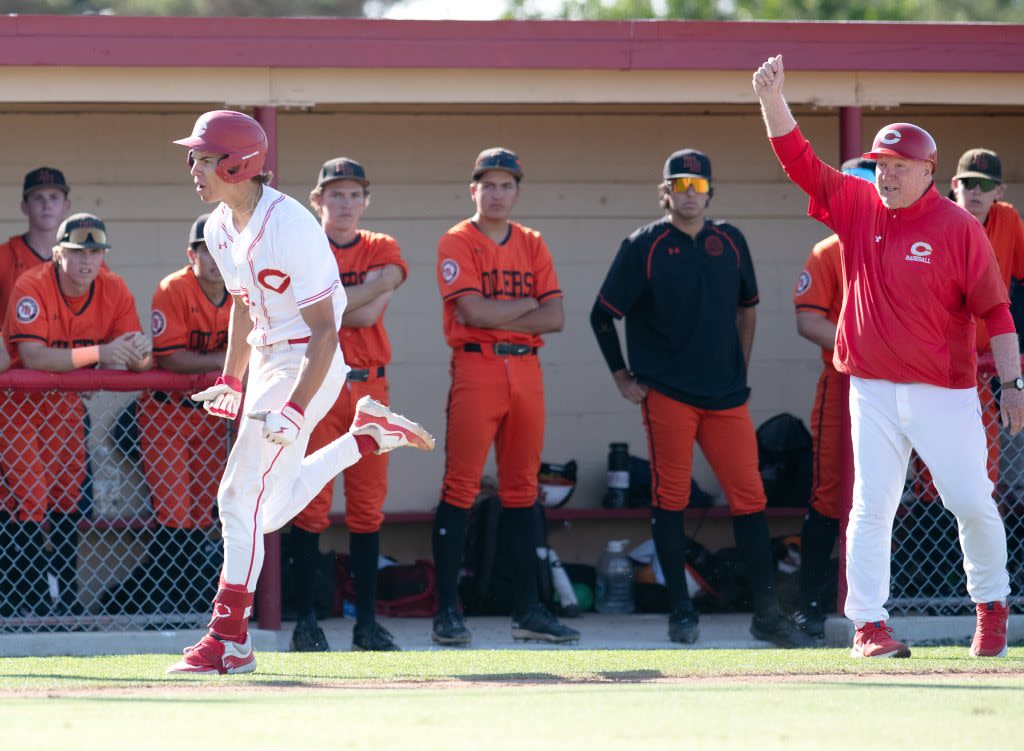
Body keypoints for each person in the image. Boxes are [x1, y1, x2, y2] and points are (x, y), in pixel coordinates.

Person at [754, 54, 1022, 658]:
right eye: (881, 164)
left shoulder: (959, 227)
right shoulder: (856, 202)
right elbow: (800, 162)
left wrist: (1013, 386)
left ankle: (992, 606)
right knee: (871, 505)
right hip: (870, 386)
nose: (887, 175)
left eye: (900, 166)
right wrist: (772, 100)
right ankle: (869, 627)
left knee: (970, 500)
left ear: (930, 170)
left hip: (945, 390)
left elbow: (997, 313)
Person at [166, 110, 434, 675]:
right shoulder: (217, 225)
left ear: (239, 163)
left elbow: (326, 332)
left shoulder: (289, 225)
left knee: (237, 499)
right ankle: (362, 441)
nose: (194, 166)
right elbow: (242, 304)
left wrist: (291, 406)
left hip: (307, 362)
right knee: (262, 514)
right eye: (195, 155)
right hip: (267, 360)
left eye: (206, 157)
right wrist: (232, 379)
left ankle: (228, 638)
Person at [590, 149, 813, 649]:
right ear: (665, 192)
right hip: (666, 394)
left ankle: (767, 613)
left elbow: (748, 310)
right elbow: (601, 316)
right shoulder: (642, 245)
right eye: (679, 185)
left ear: (711, 191)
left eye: (698, 185)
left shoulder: (730, 240)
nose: (689, 194)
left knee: (750, 498)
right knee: (671, 498)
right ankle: (680, 611)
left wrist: (739, 366)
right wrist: (622, 377)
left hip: (727, 395)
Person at [432, 147, 578, 646]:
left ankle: (528, 611)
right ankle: (447, 613)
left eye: (506, 185)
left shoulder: (533, 243)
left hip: (526, 369)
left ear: (518, 191)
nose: (497, 194)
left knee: (521, 491)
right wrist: (526, 306)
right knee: (460, 488)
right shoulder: (457, 239)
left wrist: (504, 312)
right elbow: (472, 313)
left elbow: (556, 317)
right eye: (488, 184)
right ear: (473, 189)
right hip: (477, 366)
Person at [3, 213, 151, 618]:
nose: (87, 261)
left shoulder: (113, 287)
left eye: (95, 252)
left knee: (66, 500)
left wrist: (136, 352)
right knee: (30, 499)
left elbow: (135, 358)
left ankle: (64, 601)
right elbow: (33, 357)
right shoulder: (32, 284)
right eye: (77, 252)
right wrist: (99, 355)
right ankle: (27, 604)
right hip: (19, 406)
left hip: (67, 404)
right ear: (59, 253)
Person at [288, 157, 408, 652]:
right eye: (335, 193)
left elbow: (366, 311)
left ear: (365, 200)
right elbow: (319, 313)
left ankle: (366, 624)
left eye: (354, 193)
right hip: (322, 385)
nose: (345, 202)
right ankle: (307, 621)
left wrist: (342, 299)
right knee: (311, 506)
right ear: (317, 200)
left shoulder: (381, 245)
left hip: (370, 389)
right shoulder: (304, 245)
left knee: (366, 509)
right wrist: (365, 289)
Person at [791, 157, 875, 638]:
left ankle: (884, 598)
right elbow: (808, 320)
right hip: (843, 381)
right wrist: (859, 343)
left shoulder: (897, 243)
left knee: (887, 493)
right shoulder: (827, 250)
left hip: (896, 383)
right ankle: (811, 603)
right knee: (829, 493)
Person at [138, 213, 230, 614]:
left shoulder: (243, 290)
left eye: (221, 248)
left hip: (211, 414)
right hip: (166, 413)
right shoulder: (173, 289)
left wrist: (220, 363)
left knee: (202, 513)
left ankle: (192, 601)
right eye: (205, 250)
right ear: (191, 254)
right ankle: (166, 604)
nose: (214, 259)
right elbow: (172, 359)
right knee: (174, 514)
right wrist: (226, 360)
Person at [0, 167, 72, 318]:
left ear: (67, 205)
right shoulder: (3, 257)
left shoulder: (86, 258)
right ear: (24, 206)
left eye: (54, 197)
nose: (47, 206)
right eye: (38, 198)